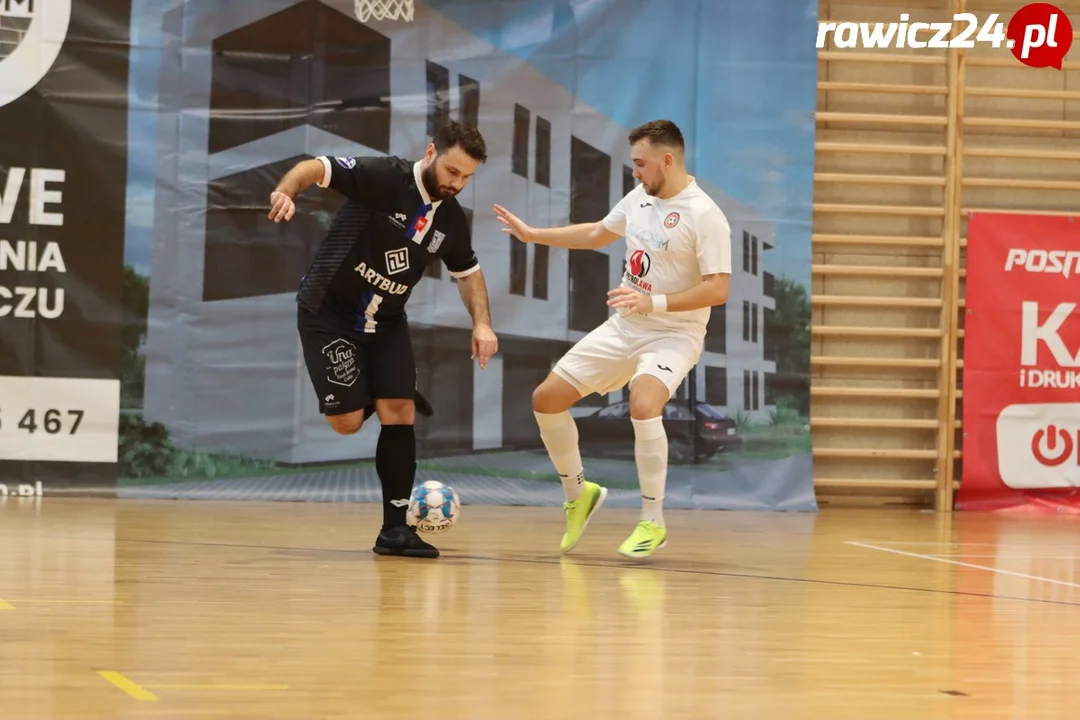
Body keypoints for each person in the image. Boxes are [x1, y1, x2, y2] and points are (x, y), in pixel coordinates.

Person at [493, 119, 731, 559]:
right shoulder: (640, 197)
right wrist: (533, 235)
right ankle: (578, 494)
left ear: (667, 159)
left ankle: (652, 521)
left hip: (673, 332)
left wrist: (654, 303)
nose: (635, 172)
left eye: (640, 164)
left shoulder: (705, 215)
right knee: (546, 398)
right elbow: (597, 232)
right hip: (626, 325)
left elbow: (718, 288)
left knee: (643, 404)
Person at [268, 120, 498, 559]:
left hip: (386, 322)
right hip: (327, 313)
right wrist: (286, 191)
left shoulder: (449, 219)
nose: (457, 183)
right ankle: (375, 390)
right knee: (347, 422)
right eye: (452, 171)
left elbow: (468, 273)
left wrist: (482, 323)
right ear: (431, 153)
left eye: (467, 177)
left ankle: (395, 532)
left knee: (400, 414)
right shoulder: (384, 177)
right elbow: (315, 167)